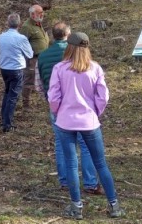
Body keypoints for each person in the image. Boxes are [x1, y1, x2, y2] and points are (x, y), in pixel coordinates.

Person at [47, 32, 124, 220]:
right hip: (89, 121)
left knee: (71, 164)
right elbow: (103, 96)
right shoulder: (95, 68)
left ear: (69, 47)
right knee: (100, 163)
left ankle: (76, 206)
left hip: (65, 121)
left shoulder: (60, 68)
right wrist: (95, 112)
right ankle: (114, 205)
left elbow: (53, 97)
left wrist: (58, 112)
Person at [36, 21, 101, 195]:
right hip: (82, 108)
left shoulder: (43, 56)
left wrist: (51, 102)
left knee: (61, 143)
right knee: (85, 145)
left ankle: (65, 181)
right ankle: (90, 182)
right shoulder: (78, 55)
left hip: (56, 106)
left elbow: (39, 84)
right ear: (68, 34)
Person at [0, 13, 33, 133]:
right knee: (13, 96)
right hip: (16, 69)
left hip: (4, 68)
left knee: (7, 93)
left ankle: (4, 117)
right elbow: (30, 54)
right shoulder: (21, 38)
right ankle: (7, 124)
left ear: (8, 23)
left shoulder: (2, 36)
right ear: (19, 24)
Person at [19, 4, 49, 109]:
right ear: (32, 14)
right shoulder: (26, 27)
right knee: (29, 80)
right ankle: (26, 105)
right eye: (40, 12)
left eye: (42, 12)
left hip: (42, 58)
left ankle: (44, 99)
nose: (42, 14)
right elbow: (22, 43)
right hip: (32, 59)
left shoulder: (38, 23)